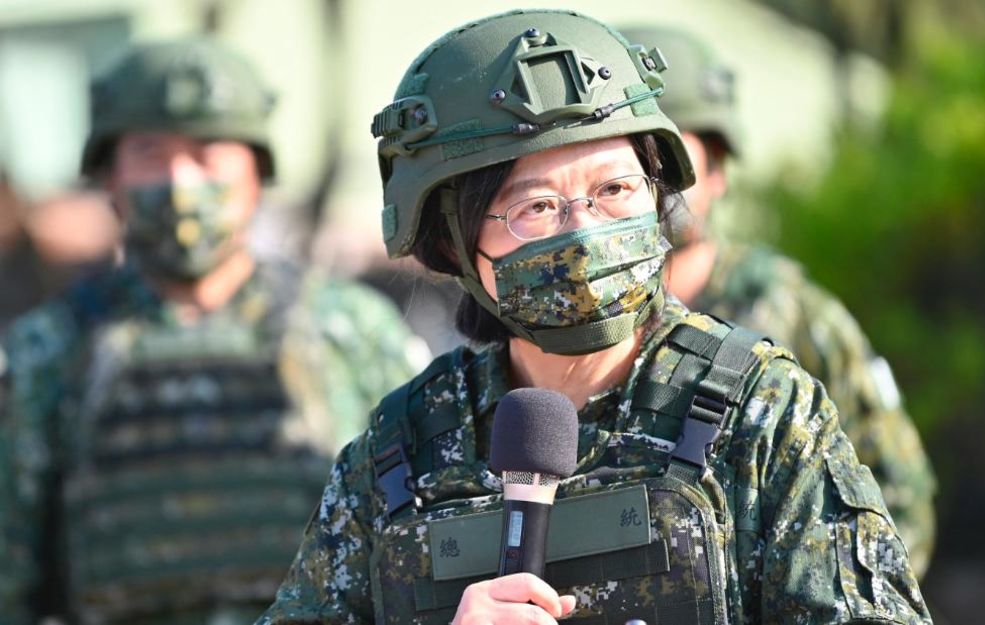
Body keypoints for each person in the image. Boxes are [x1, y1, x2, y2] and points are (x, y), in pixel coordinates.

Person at [258, 10, 932, 625]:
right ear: (453, 243)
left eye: (614, 190)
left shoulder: (762, 413)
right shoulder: (399, 449)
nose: (584, 234)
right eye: (537, 207)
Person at [0, 38, 426, 625]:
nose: (180, 180)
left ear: (257, 170)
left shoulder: (349, 330)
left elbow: (422, 537)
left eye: (206, 152)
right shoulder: (48, 352)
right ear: (109, 178)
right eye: (151, 153)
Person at [618, 25, 938, 577]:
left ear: (717, 170)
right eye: (631, 167)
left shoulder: (792, 313)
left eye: (673, 163)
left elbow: (899, 496)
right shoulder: (574, 336)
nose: (654, 189)